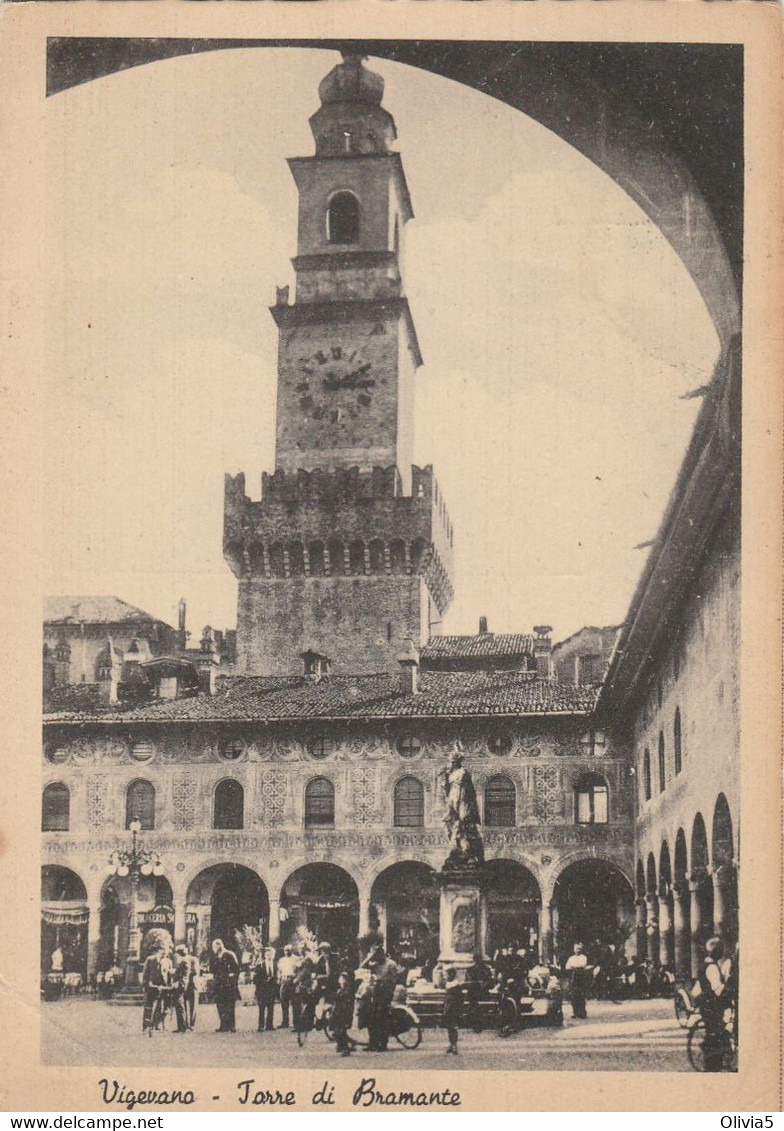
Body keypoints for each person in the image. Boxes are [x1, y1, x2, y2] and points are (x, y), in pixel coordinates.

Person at [697, 937, 734, 1072]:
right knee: (716, 1033)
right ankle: (713, 1064)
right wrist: (728, 989)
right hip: (713, 1006)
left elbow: (698, 989)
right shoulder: (712, 967)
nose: (721, 953)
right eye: (720, 950)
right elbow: (717, 989)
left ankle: (713, 1061)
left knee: (713, 1032)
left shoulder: (704, 965)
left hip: (706, 1005)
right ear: (715, 952)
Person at [361, 945, 403, 1051]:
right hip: (377, 991)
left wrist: (389, 994)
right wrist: (370, 957)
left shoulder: (391, 964)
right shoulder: (375, 964)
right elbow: (362, 966)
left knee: (382, 1018)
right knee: (371, 1017)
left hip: (386, 992)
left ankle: (383, 1043)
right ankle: (373, 1043)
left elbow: (394, 980)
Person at [211, 938, 240, 1033]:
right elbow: (212, 969)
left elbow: (236, 969)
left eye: (214, 946)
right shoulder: (215, 957)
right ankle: (223, 1025)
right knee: (220, 1005)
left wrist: (232, 978)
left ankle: (232, 1026)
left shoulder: (229, 954)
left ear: (219, 945)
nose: (213, 948)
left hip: (228, 985)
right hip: (219, 985)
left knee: (230, 1005)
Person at [141, 942, 170, 1032]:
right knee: (148, 1006)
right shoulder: (150, 959)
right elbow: (145, 973)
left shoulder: (168, 961)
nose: (165, 953)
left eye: (167, 951)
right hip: (152, 986)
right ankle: (146, 1026)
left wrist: (168, 986)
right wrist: (145, 984)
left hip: (163, 987)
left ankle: (157, 1025)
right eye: (163, 950)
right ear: (159, 950)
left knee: (160, 1006)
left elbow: (168, 975)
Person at [254, 946, 278, 1032]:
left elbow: (276, 976)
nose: (269, 955)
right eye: (267, 954)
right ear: (264, 955)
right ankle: (261, 1026)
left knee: (271, 1007)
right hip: (262, 989)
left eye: (270, 954)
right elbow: (255, 979)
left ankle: (269, 1025)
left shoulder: (275, 964)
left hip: (272, 989)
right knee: (262, 1008)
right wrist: (264, 981)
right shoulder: (260, 965)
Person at [332, 971, 356, 1057]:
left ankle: (345, 1048)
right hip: (338, 1013)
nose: (340, 980)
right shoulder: (340, 990)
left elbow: (345, 1001)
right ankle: (343, 1046)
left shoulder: (347, 990)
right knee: (337, 1031)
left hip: (344, 1013)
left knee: (341, 1031)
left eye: (341, 978)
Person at [277, 944, 301, 1029]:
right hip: (284, 981)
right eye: (285, 950)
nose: (287, 952)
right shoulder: (281, 960)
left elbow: (299, 971)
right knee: (284, 1002)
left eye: (288, 950)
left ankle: (296, 1023)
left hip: (292, 981)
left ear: (292, 950)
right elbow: (279, 971)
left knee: (295, 1003)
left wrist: (296, 980)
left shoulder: (297, 959)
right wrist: (279, 979)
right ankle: (285, 1022)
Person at [565, 942, 590, 1019]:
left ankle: (582, 1012)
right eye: (576, 949)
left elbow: (583, 965)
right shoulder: (571, 958)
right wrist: (575, 967)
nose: (577, 950)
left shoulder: (583, 957)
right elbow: (567, 967)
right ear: (574, 950)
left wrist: (574, 967)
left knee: (581, 995)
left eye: (579, 948)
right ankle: (575, 1012)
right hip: (574, 977)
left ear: (581, 949)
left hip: (581, 977)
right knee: (573, 995)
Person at [442, 968, 462, 1055]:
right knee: (449, 1027)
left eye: (447, 974)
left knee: (453, 1027)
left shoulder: (456, 985)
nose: (446, 976)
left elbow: (459, 999)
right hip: (448, 1007)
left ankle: (454, 1045)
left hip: (454, 1008)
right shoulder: (447, 984)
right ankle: (451, 1044)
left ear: (452, 975)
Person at [170, 946, 190, 1033]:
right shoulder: (184, 961)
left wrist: (177, 983)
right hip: (180, 985)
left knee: (180, 1006)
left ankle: (182, 1027)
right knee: (180, 1006)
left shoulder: (184, 962)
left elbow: (183, 975)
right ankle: (182, 1026)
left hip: (179, 986)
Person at [181, 945, 200, 1029]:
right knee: (183, 1005)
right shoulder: (179, 960)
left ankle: (191, 1024)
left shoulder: (194, 959)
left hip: (192, 984)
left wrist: (185, 974)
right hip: (183, 985)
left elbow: (196, 972)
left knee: (193, 1006)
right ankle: (185, 1023)